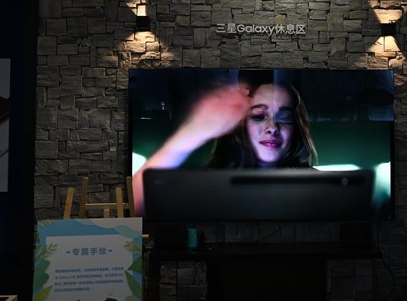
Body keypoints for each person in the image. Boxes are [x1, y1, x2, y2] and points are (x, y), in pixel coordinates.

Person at [132, 81, 318, 215]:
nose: (272, 128)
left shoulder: (316, 185)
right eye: (259, 116)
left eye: (285, 118)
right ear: (240, 124)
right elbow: (134, 209)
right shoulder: (207, 186)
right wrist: (192, 132)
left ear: (297, 127)